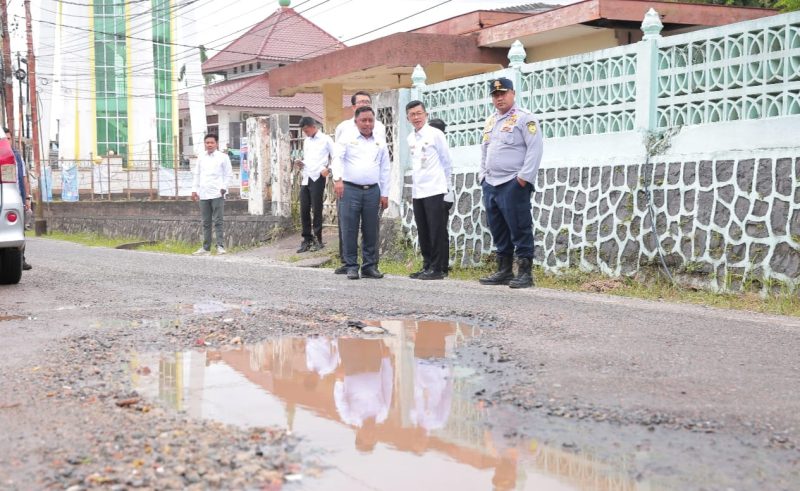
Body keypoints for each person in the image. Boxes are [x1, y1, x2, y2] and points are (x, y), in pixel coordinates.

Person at [478, 77, 543, 289]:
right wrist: (482, 176)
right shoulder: (491, 121)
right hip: (491, 183)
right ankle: (504, 270)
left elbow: (535, 149)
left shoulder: (525, 118)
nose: (499, 98)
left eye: (503, 93)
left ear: (513, 93)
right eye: (495, 95)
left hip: (512, 182)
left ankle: (525, 273)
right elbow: (485, 150)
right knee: (498, 228)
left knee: (519, 226)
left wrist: (523, 178)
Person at [331, 106, 390, 280]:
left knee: (371, 229)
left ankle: (369, 266)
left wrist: (385, 193)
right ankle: (351, 266)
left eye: (370, 120)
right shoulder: (347, 138)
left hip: (372, 191)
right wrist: (337, 179)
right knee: (349, 229)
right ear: (356, 121)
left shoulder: (380, 141)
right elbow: (337, 158)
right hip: (350, 190)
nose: (367, 124)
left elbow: (385, 168)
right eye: (363, 120)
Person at [405, 102, 452, 280]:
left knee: (436, 230)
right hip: (418, 190)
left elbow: (446, 161)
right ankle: (427, 265)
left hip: (435, 188)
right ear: (408, 118)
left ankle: (438, 268)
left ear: (426, 114)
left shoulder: (436, 134)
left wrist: (447, 188)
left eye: (419, 113)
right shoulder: (411, 138)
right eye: (412, 114)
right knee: (423, 230)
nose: (416, 117)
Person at [294, 117, 334, 253]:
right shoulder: (307, 141)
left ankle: (318, 239)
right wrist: (301, 163)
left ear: (313, 126)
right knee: (304, 209)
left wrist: (329, 169)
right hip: (306, 176)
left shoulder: (326, 139)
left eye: (306, 130)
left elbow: (336, 156)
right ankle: (307, 238)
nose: (305, 133)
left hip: (318, 176)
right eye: (303, 131)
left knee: (317, 208)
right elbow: (309, 158)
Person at [191, 134, 233, 256]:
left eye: (212, 142)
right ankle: (206, 248)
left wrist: (223, 188)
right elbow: (197, 174)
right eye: (207, 143)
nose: (209, 145)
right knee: (206, 222)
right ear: (205, 144)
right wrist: (194, 190)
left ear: (216, 144)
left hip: (217, 193)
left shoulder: (223, 157)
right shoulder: (201, 157)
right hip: (203, 193)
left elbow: (228, 174)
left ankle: (220, 246)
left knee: (218, 221)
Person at [428, 118, 453, 277]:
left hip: (442, 195)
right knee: (434, 231)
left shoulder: (441, 149)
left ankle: (442, 266)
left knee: (440, 232)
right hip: (435, 194)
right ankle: (434, 264)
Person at [5, 128, 31, 270]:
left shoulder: (17, 157)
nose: (6, 142)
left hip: (17, 198)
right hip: (4, 199)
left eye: (9, 139)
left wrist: (27, 198)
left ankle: (21, 259)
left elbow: (24, 178)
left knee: (19, 230)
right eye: (4, 139)